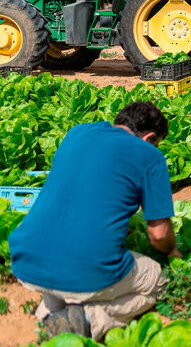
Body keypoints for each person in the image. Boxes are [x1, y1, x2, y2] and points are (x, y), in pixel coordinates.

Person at [9, 102, 179, 341]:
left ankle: (49, 313)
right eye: (157, 143)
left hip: (26, 262)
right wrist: (173, 252)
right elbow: (159, 235)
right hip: (85, 272)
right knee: (156, 280)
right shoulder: (149, 155)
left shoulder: (78, 132)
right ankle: (89, 318)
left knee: (68, 272)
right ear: (150, 138)